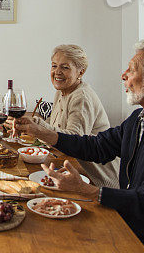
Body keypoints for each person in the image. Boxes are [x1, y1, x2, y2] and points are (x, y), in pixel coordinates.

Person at [15, 38, 144, 253]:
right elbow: (97, 146)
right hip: (138, 229)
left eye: (131, 70)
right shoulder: (139, 119)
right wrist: (41, 132)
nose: (123, 76)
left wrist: (85, 190)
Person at [10, 44, 119, 187]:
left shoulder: (81, 97)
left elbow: (74, 139)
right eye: (54, 66)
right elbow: (55, 125)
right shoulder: (62, 91)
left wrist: (36, 128)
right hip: (75, 167)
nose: (57, 72)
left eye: (65, 67)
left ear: (81, 72)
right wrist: (33, 122)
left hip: (96, 179)